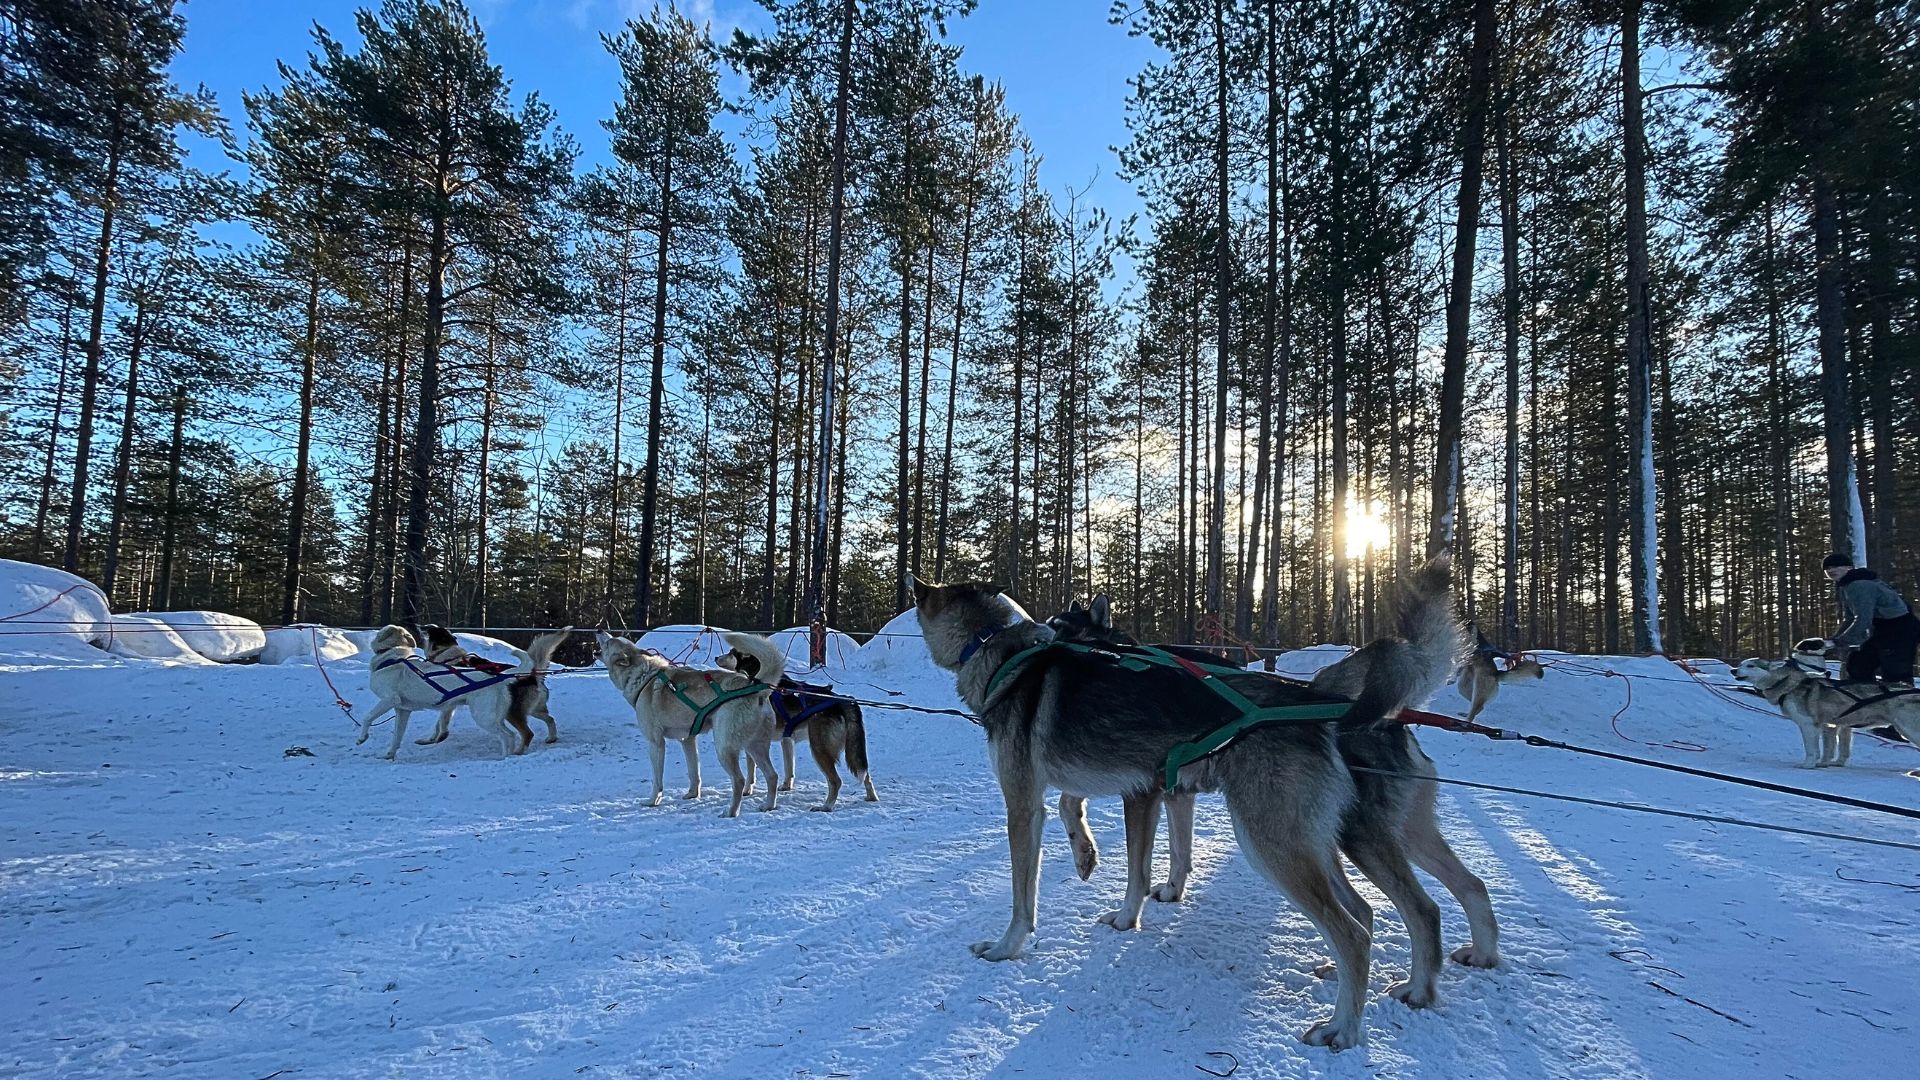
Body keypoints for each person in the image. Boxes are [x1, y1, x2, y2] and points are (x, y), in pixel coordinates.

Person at [1822, 553, 1920, 689]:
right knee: (1858, 665)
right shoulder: (1848, 585)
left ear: (1848, 568)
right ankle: (1868, 699)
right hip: (1884, 629)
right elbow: (1850, 618)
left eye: (1836, 566)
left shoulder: (1859, 585)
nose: (1831, 570)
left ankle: (1905, 705)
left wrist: (1839, 642)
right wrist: (1835, 639)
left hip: (1900, 630)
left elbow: (1863, 620)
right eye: (1827, 569)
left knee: (1896, 676)